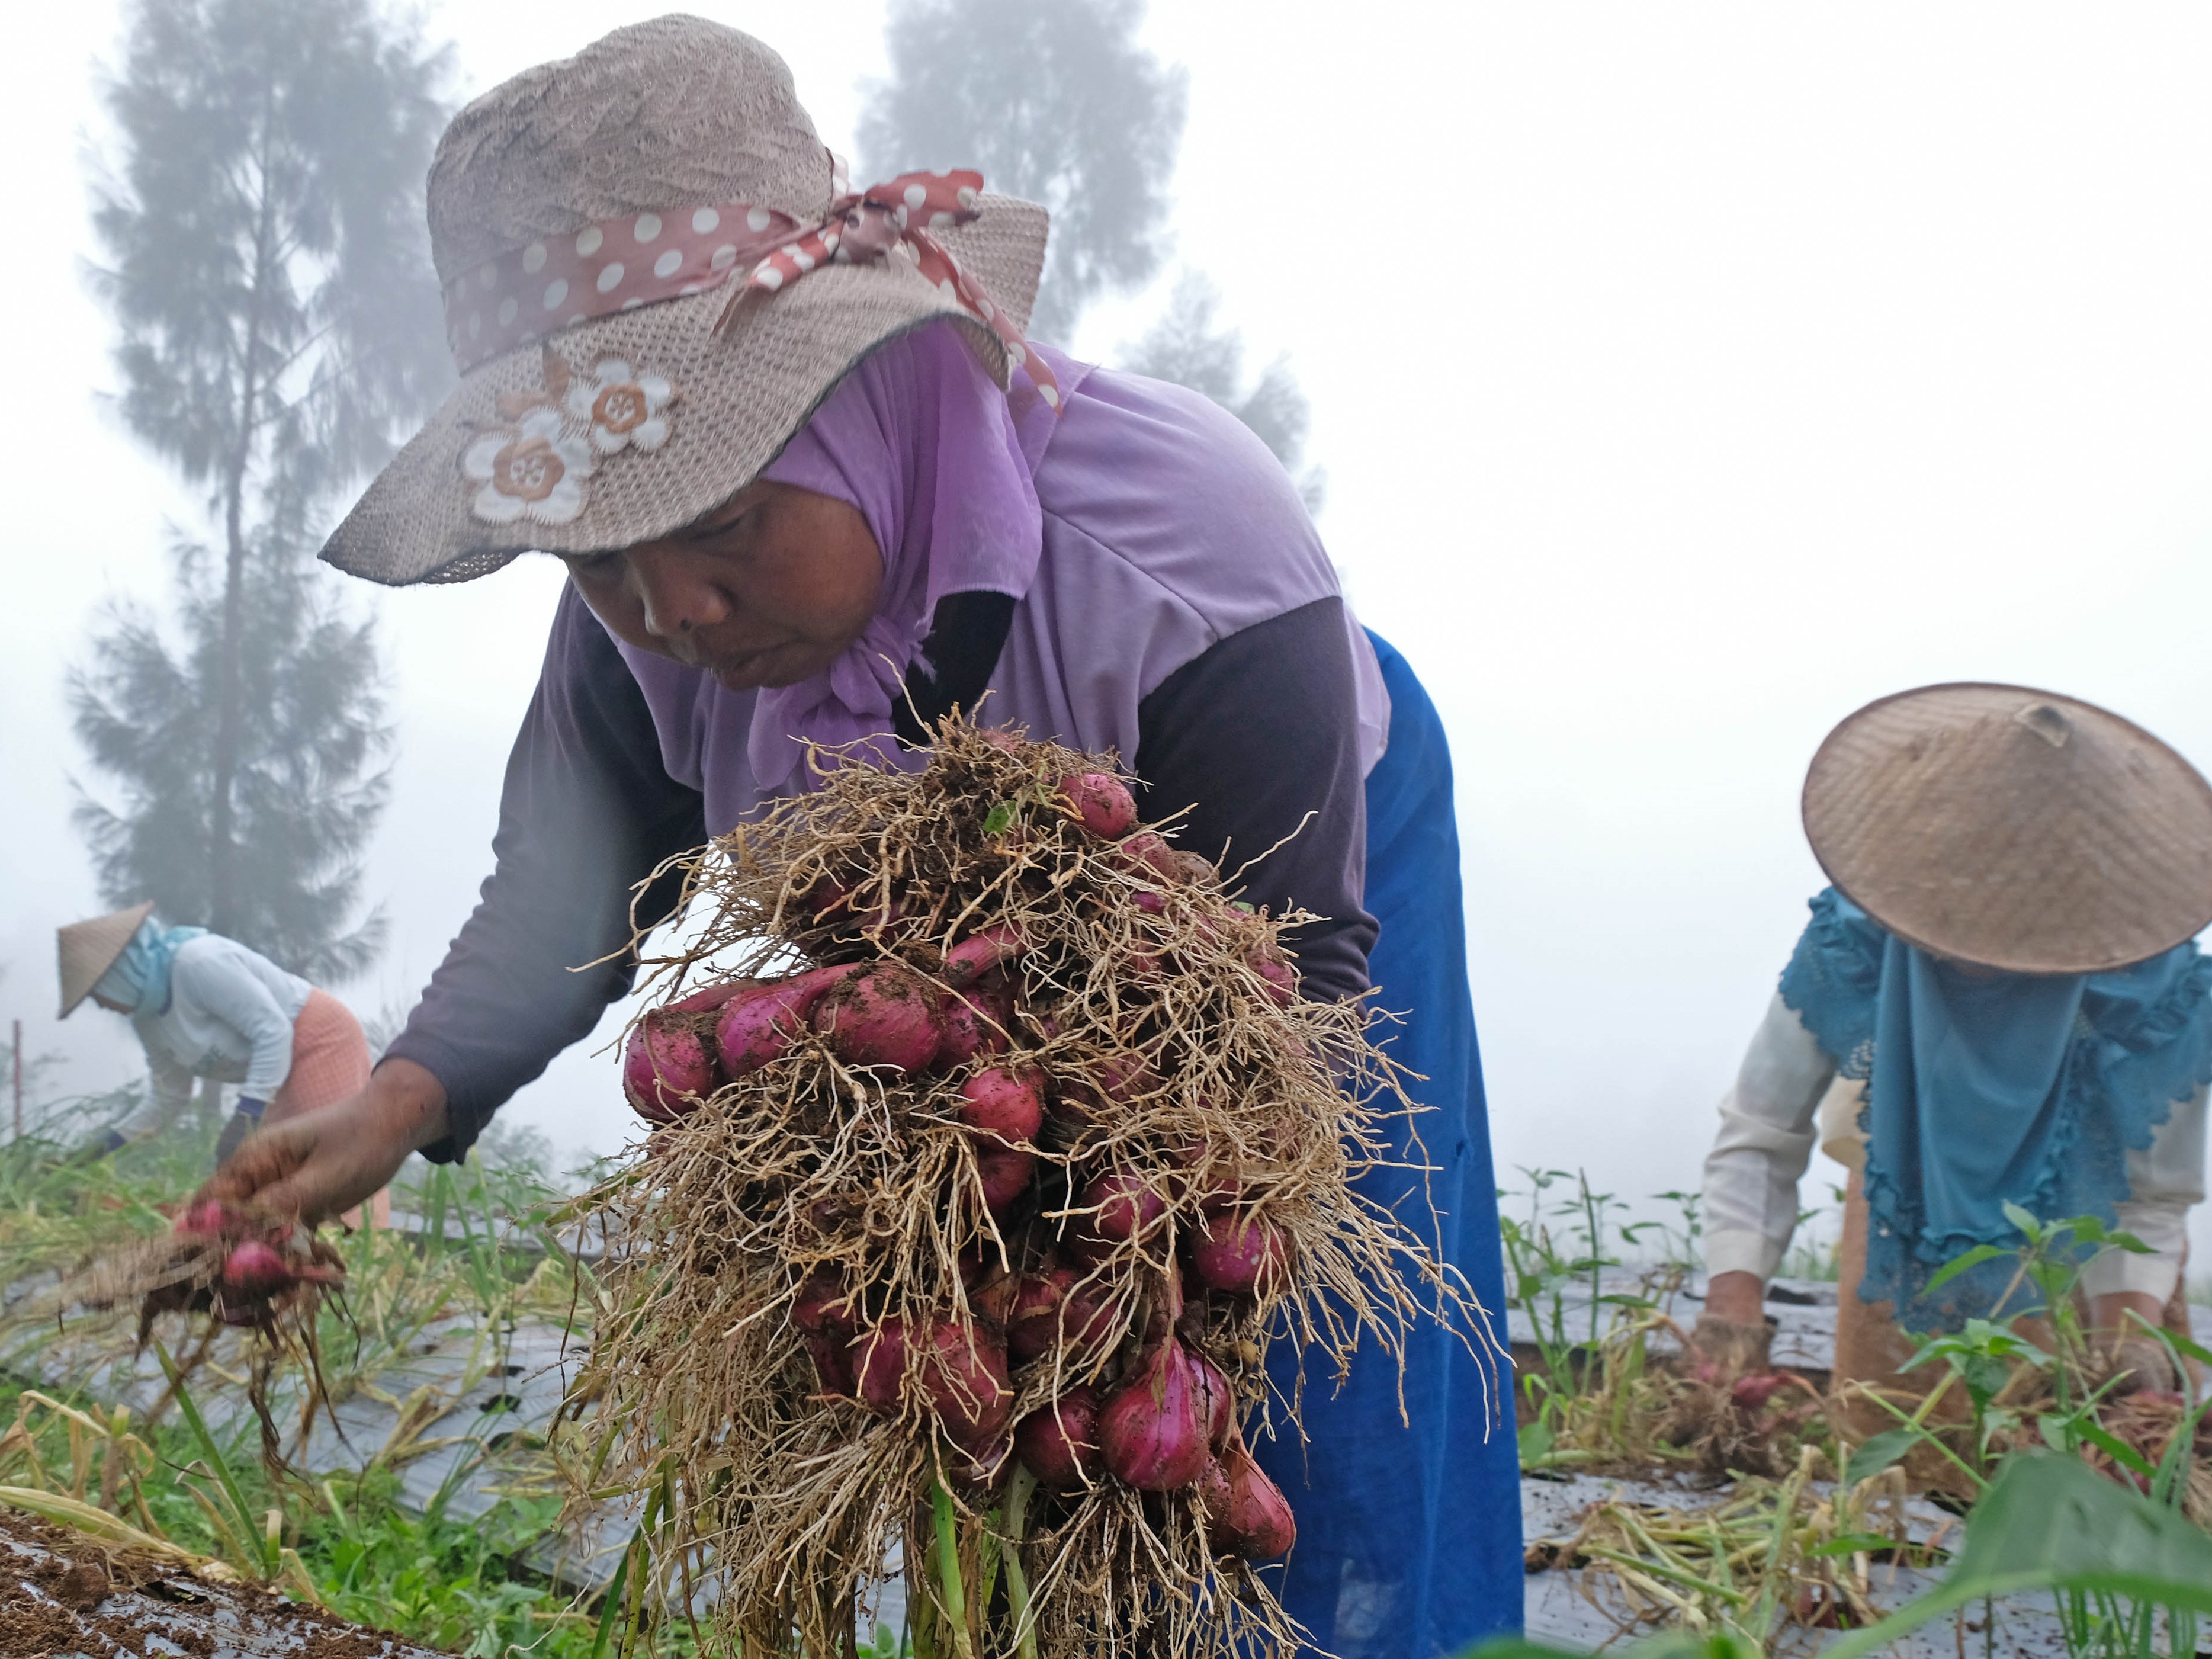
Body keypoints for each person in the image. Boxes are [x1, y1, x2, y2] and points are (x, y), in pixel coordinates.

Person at [196, 18, 1521, 1654]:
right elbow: (566, 884)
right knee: (945, 1350)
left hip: (1287, 890)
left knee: (1302, 1304)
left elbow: (1278, 1019)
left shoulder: (1188, 552)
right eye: (594, 558)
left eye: (725, 524)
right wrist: (397, 1102)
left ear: (851, 399)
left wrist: (1125, 1283)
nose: (666, 607)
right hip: (948, 985)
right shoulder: (648, 621)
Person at [1695, 684, 2212, 1397]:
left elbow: (2150, 1194)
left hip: (2094, 1256)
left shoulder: (2153, 996)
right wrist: (1733, 1308)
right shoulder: (1857, 950)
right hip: (1904, 1225)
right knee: (1896, 1468)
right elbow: (1763, 1127)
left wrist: (2126, 1333)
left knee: (2102, 1461)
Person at [57, 904, 390, 1222]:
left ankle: (366, 1258)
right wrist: (101, 1148)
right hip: (276, 1068)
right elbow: (168, 1096)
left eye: (97, 993)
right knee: (274, 1185)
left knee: (330, 1165)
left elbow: (273, 1031)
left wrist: (247, 1115)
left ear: (120, 971)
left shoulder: (197, 963)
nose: (100, 1005)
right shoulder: (147, 1019)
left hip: (315, 1038)